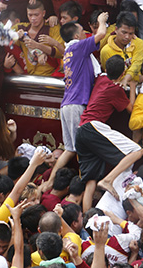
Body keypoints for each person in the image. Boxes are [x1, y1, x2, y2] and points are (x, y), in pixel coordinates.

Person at [45, 11, 109, 188]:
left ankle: (49, 182)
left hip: (68, 104)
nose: (85, 34)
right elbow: (101, 34)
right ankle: (82, 187)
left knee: (70, 149)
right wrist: (102, 20)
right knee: (83, 150)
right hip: (76, 104)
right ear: (75, 35)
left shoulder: (69, 51)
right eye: (82, 31)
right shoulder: (77, 47)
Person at [74, 55, 143, 204]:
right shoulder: (115, 89)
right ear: (122, 74)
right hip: (93, 126)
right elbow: (131, 109)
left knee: (90, 182)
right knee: (137, 151)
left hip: (80, 129)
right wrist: (131, 86)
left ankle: (87, 223)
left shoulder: (101, 79)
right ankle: (108, 180)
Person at [100, 12, 143, 87]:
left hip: (137, 85)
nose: (127, 37)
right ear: (116, 29)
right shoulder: (106, 51)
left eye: (131, 34)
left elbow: (137, 63)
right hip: (117, 86)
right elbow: (112, 76)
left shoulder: (139, 43)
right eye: (124, 32)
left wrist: (126, 79)